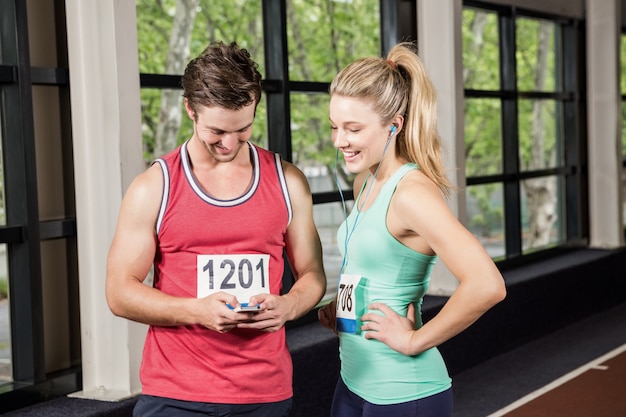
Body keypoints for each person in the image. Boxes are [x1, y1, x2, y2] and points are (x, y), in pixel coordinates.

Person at [106, 41, 327, 417]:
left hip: (265, 392)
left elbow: (313, 274)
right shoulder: (154, 188)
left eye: (243, 129)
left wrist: (289, 305)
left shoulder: (288, 181)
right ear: (191, 109)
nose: (229, 144)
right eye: (216, 132)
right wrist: (197, 311)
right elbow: (119, 292)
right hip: (175, 394)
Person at [318, 42, 506, 417]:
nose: (340, 141)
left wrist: (414, 339)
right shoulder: (366, 182)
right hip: (354, 380)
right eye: (335, 127)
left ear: (394, 125)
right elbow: (380, 268)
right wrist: (341, 308)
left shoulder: (412, 193)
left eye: (353, 129)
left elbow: (487, 285)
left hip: (405, 392)